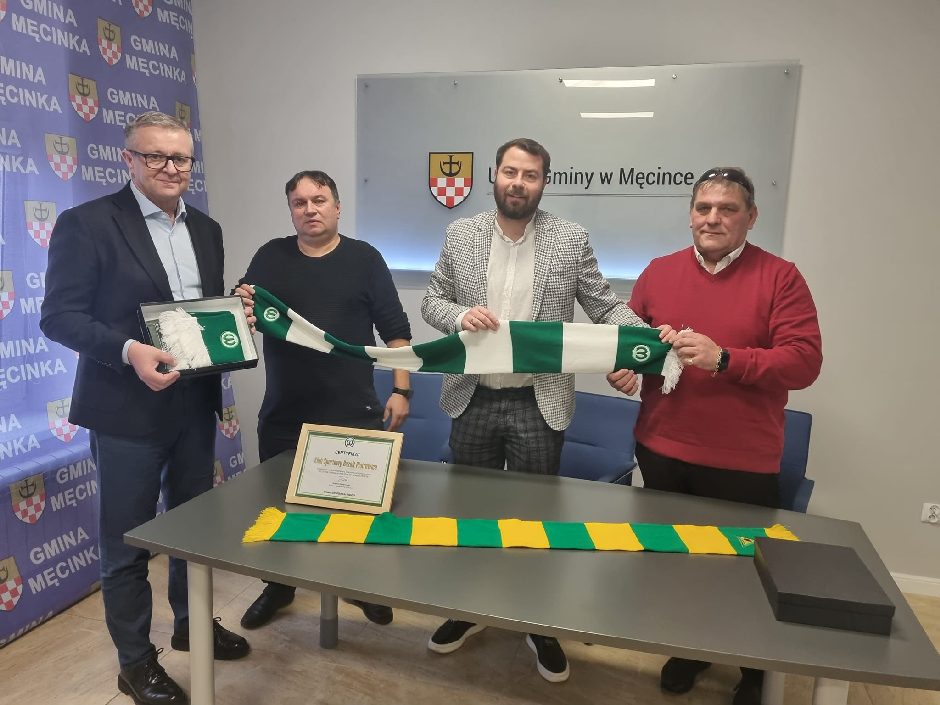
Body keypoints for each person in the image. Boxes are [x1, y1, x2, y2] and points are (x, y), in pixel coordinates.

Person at [421, 137, 657, 683]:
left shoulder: (570, 239)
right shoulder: (460, 234)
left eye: (530, 175)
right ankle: (468, 608)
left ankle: (537, 622)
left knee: (534, 521)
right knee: (471, 514)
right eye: (510, 172)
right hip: (473, 396)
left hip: (537, 399)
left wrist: (645, 342)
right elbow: (432, 301)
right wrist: (458, 316)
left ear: (543, 182)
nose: (518, 183)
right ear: (494, 176)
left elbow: (604, 305)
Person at [40, 111, 250, 705]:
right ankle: (135, 663)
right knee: (128, 543)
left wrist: (232, 314)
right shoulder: (87, 223)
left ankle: (191, 623)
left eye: (180, 157)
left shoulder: (206, 228)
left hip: (194, 404)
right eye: (155, 156)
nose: (170, 168)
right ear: (128, 159)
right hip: (125, 410)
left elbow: (195, 315)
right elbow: (58, 316)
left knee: (193, 529)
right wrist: (129, 350)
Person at [608, 166, 822, 705]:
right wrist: (626, 365)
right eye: (703, 208)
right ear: (690, 215)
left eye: (727, 209)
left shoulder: (780, 277)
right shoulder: (659, 271)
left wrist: (726, 358)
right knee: (676, 564)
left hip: (742, 460)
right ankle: (691, 649)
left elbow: (804, 361)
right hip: (661, 448)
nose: (713, 218)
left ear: (751, 217)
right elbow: (629, 341)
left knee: (744, 573)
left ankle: (754, 669)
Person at [235, 170, 412, 630]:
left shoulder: (365, 259)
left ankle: (357, 585)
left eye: (319, 200)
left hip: (351, 413)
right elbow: (244, 308)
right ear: (290, 210)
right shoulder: (270, 256)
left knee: (356, 513)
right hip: (285, 414)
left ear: (337, 206)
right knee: (279, 510)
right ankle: (278, 586)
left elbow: (396, 332)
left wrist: (401, 390)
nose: (310, 209)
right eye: (299, 203)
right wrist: (240, 303)